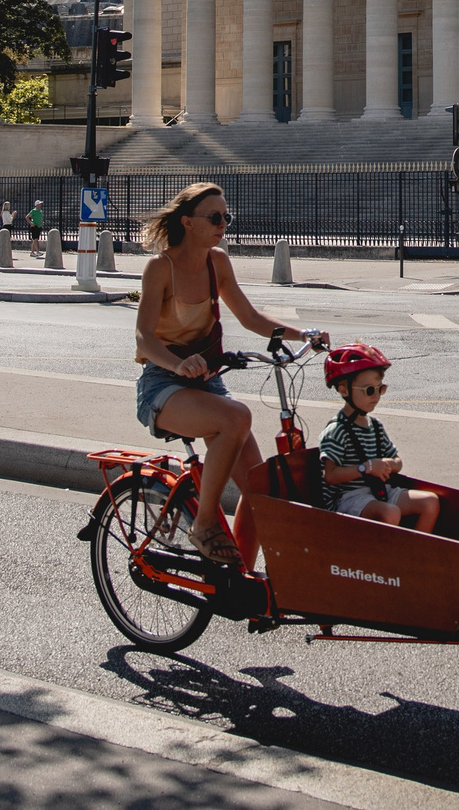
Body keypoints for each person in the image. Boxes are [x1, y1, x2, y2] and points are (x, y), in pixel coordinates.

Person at [133, 182, 322, 564]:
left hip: (206, 382)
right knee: (237, 416)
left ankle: (242, 580)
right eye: (215, 217)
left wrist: (304, 334)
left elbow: (250, 317)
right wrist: (178, 363)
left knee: (261, 490)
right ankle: (203, 524)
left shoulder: (217, 262)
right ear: (188, 222)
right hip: (162, 385)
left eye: (227, 217)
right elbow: (144, 337)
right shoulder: (160, 268)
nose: (224, 224)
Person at [318, 344, 439, 531]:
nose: (376, 396)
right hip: (349, 498)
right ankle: (386, 559)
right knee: (390, 513)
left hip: (380, 492)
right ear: (344, 391)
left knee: (430, 502)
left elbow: (397, 461)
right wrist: (366, 468)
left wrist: (388, 464)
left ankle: (414, 555)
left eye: (380, 389)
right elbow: (331, 476)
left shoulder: (375, 426)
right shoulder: (337, 430)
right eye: (369, 390)